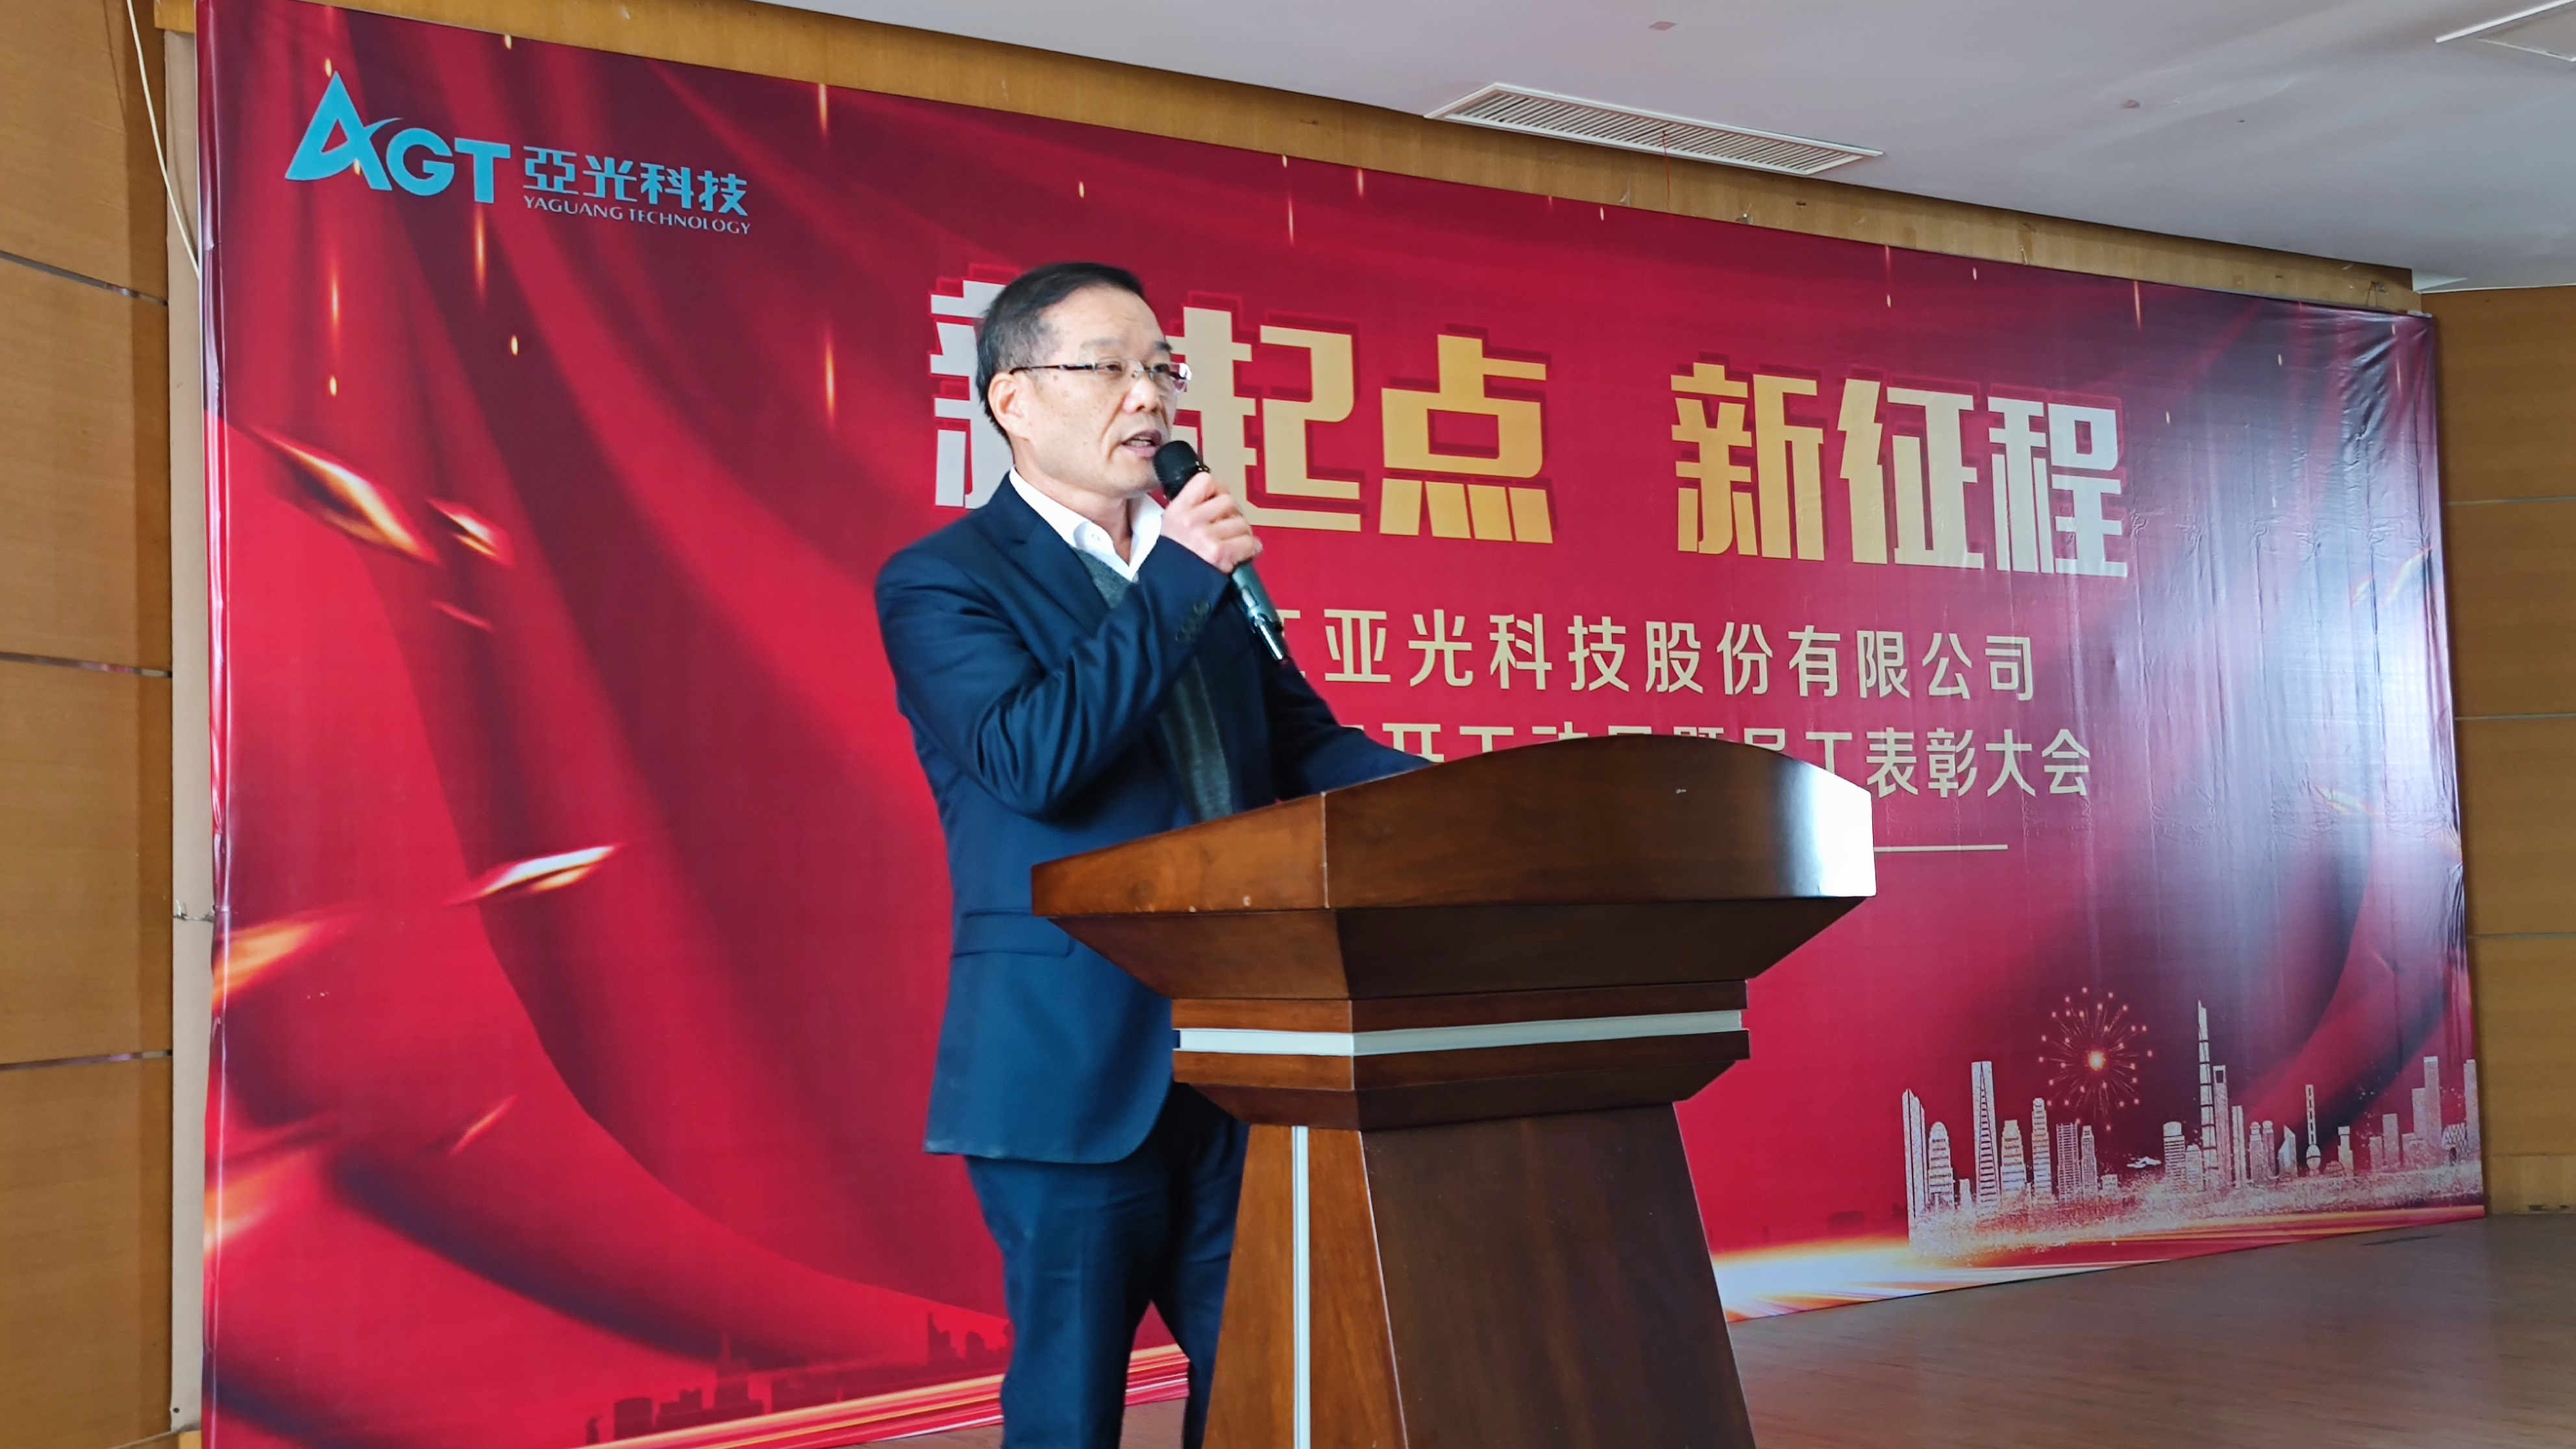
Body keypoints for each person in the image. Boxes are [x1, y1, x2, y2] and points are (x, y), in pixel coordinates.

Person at [874, 262, 1422, 1449]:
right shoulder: (944, 580)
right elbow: (1034, 759)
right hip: (1071, 1062)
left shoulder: (1197, 574)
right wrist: (1176, 576)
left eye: (1162, 369)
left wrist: (1462, 799)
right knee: (1072, 1407)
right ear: (1014, 398)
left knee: (1266, 1385)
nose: (1151, 398)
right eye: (1110, 368)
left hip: (1244, 1045)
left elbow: (1302, 744)